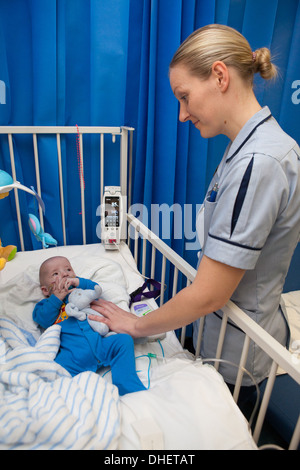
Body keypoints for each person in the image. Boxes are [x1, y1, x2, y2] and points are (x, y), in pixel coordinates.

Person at [89, 24, 300, 395]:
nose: (182, 115)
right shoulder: (251, 148)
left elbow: (210, 294)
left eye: (184, 97)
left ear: (219, 76)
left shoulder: (259, 161)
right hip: (227, 333)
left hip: (238, 355)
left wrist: (137, 325)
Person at [33, 256, 146, 395]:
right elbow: (43, 319)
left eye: (68, 269)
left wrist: (79, 282)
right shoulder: (47, 304)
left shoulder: (83, 293)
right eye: (55, 274)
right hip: (73, 355)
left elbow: (96, 290)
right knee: (55, 375)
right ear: (45, 290)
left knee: (123, 340)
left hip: (101, 345)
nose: (64, 274)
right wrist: (56, 298)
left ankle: (127, 384)